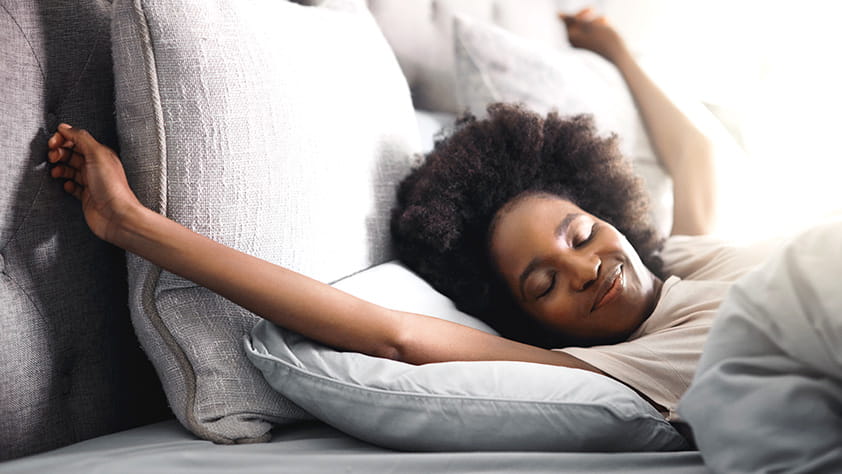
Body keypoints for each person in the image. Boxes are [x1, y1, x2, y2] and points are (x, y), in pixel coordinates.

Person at [46, 10, 727, 420]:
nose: (583, 268)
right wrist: (133, 223)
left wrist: (616, 51)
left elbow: (697, 155)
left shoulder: (687, 259)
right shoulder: (619, 373)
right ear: (529, 325)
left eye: (578, 233)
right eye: (542, 285)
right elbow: (391, 336)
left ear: (605, 208)